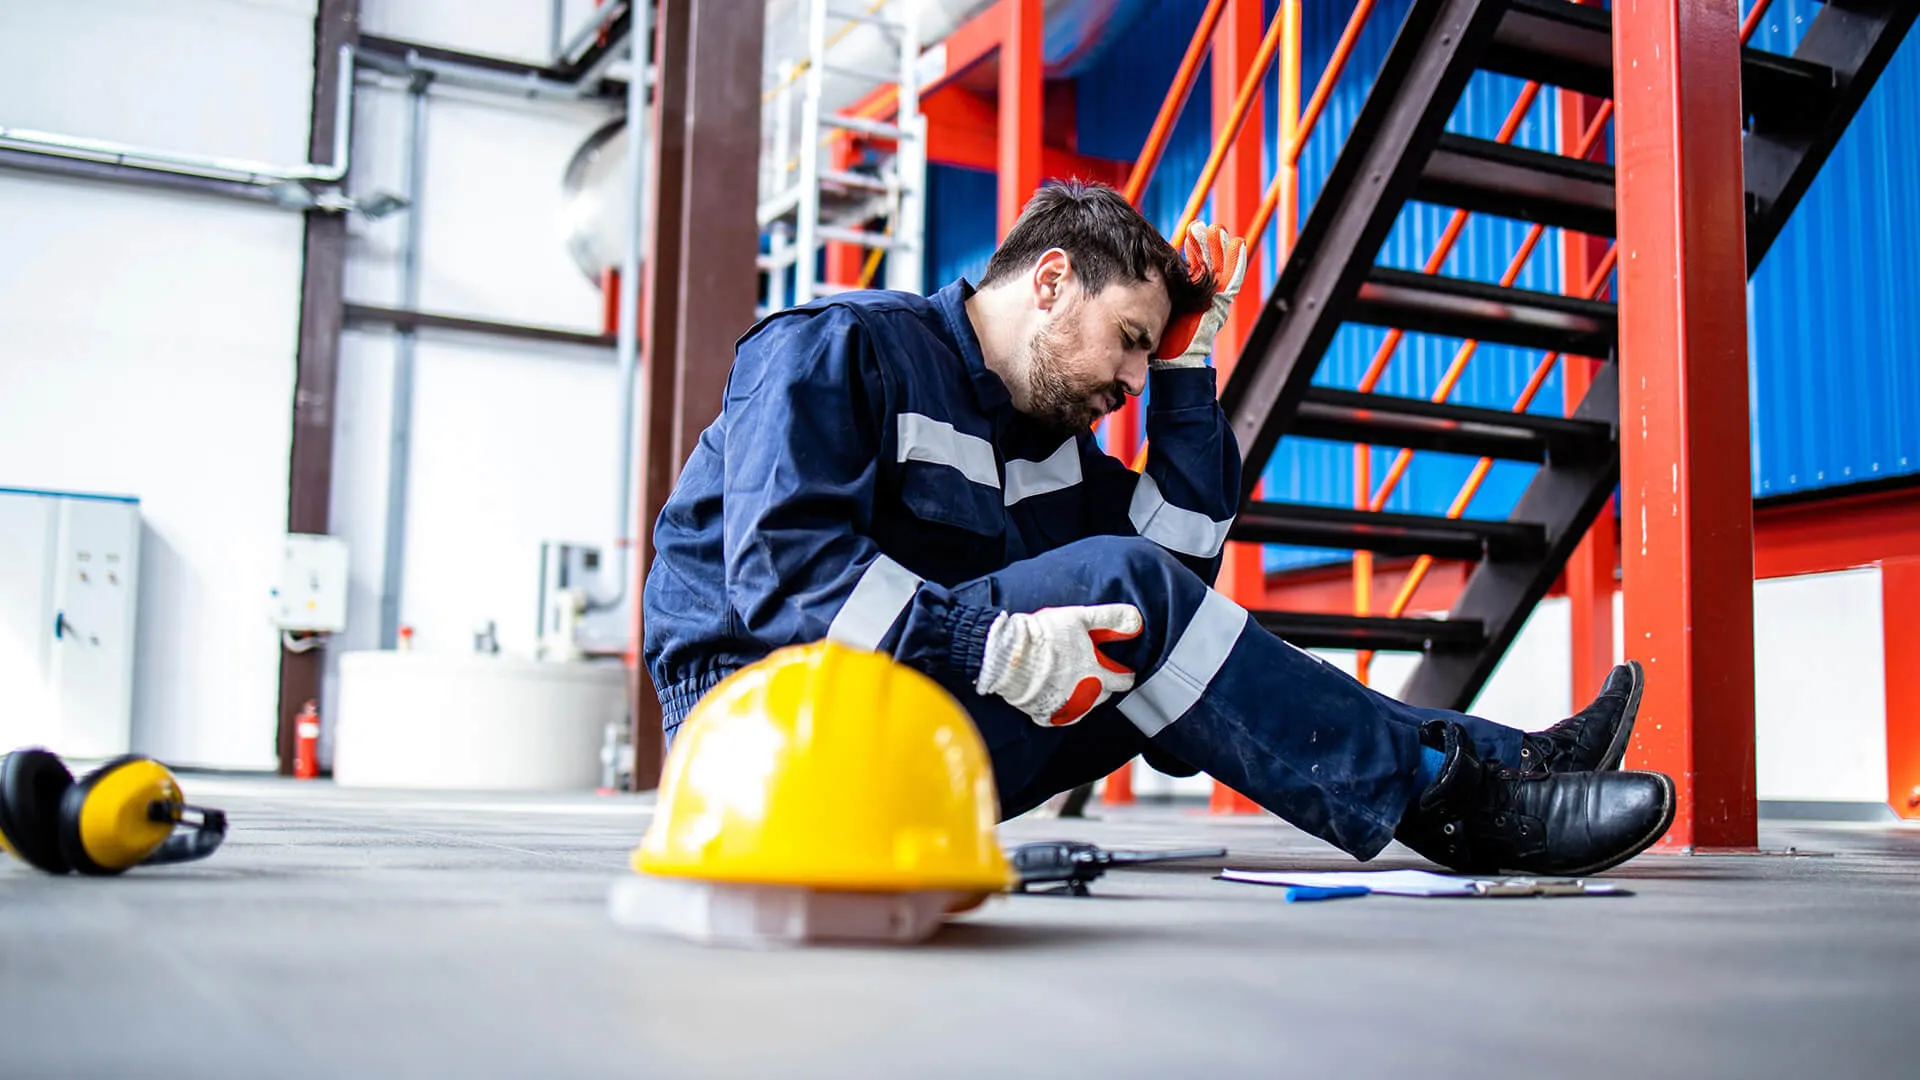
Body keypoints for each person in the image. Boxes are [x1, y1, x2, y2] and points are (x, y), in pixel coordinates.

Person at [642, 180, 1675, 876]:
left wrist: (1186, 371)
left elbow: (1179, 566)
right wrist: (988, 642)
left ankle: (1502, 772)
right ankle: (1462, 808)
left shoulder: (1040, 437)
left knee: (1142, 616)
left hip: (900, 741)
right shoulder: (835, 349)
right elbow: (785, 582)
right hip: (755, 750)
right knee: (1126, 597)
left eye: (1148, 363)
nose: (1129, 384)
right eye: (1132, 344)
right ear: (1050, 283)